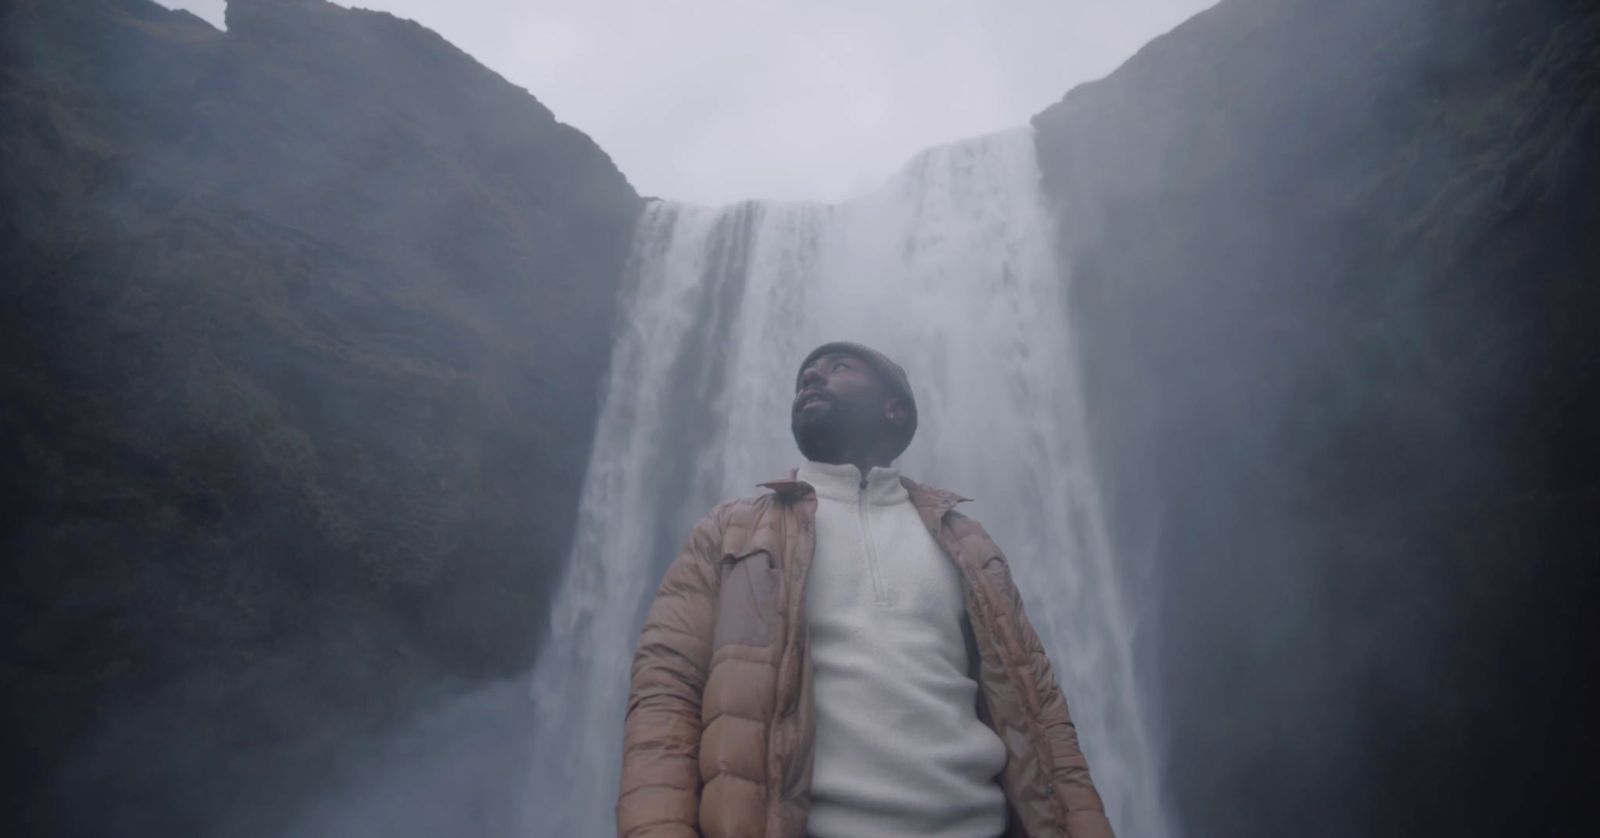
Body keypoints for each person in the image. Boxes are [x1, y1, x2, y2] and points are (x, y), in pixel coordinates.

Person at [616, 341, 1114, 838]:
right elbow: (666, 692)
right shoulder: (729, 531)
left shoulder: (967, 543)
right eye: (804, 376)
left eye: (837, 367)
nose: (811, 378)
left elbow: (1042, 711)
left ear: (895, 409)